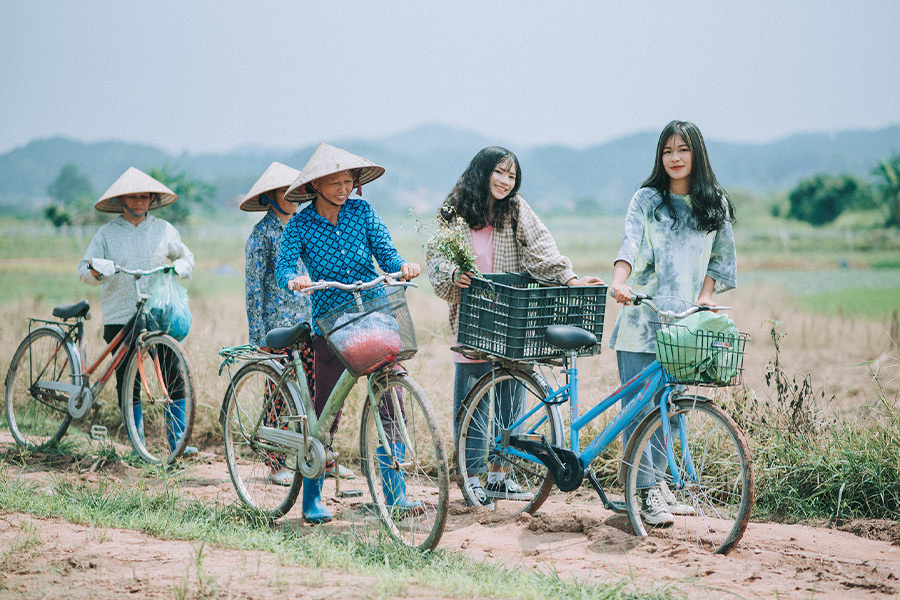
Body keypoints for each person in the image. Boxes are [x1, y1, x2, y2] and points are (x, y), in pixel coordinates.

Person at [426, 146, 603, 509]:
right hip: (475, 315)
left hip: (512, 313)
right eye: (500, 173)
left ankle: (499, 476)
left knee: (513, 394)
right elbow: (436, 258)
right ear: (483, 171)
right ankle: (471, 476)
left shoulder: (516, 209)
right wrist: (453, 275)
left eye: (512, 176)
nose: (506, 182)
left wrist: (568, 279)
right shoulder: (454, 213)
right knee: (473, 398)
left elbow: (541, 248)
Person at [275, 143, 420, 523]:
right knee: (328, 411)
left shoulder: (363, 211)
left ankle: (396, 492)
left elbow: (385, 253)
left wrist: (402, 266)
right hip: (331, 321)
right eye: (335, 182)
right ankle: (312, 496)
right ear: (316, 185)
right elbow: (285, 266)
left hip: (373, 310)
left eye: (347, 181)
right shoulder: (301, 225)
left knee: (391, 399)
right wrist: (295, 281)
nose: (343, 188)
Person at [608, 120, 737, 525]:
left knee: (670, 409)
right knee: (639, 407)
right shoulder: (648, 199)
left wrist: (706, 295)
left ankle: (657, 484)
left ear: (696, 154)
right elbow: (629, 241)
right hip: (642, 317)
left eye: (682, 150)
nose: (675, 158)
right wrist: (619, 281)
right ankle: (644, 492)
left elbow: (721, 257)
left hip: (684, 326)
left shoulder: (714, 203)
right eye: (667, 151)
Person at [77, 167, 197, 458]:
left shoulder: (163, 229)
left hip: (156, 312)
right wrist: (96, 271)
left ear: (152, 199)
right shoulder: (106, 234)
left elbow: (186, 257)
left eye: (144, 196)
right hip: (120, 314)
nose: (139, 202)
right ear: (121, 200)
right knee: (126, 381)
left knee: (173, 373)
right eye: (133, 196)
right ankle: (137, 444)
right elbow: (84, 269)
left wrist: (178, 268)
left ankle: (177, 441)